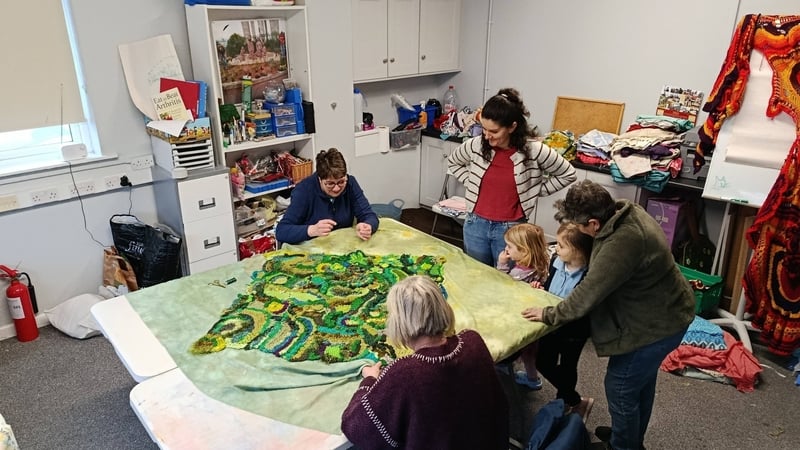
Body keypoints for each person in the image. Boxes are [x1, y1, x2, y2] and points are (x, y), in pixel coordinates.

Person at [520, 180, 695, 450]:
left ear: (594, 224)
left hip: (657, 325)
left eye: (579, 226)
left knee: (621, 388)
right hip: (667, 310)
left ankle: (623, 446)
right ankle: (629, 439)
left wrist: (548, 314)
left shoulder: (623, 243)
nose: (578, 230)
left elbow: (586, 295)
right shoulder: (626, 210)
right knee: (641, 384)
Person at [341, 276, 509, 450]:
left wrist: (368, 381)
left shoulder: (405, 373)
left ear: (399, 321)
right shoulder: (473, 341)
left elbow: (355, 427)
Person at [447, 87, 577, 266]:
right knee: (475, 275)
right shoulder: (476, 145)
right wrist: (471, 181)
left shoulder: (534, 150)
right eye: (484, 129)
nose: (487, 136)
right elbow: (453, 162)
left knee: (507, 279)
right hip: (475, 224)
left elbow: (568, 174)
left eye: (494, 131)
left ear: (512, 127)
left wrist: (534, 191)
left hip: (511, 229)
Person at [530, 222, 595, 422]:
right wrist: (540, 288)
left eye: (561, 245)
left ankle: (566, 400)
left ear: (577, 251)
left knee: (568, 366)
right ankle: (574, 398)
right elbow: (550, 288)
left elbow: (580, 306)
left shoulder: (589, 276)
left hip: (574, 330)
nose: (555, 248)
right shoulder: (555, 262)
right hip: (551, 324)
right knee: (543, 362)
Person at [275, 148, 379, 245]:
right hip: (312, 248)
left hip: (341, 245)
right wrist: (312, 230)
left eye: (341, 182)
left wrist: (368, 225)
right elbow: (281, 231)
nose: (336, 188)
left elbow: (368, 215)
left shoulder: (350, 183)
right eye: (330, 184)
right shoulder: (304, 191)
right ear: (320, 179)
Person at [495, 222, 550, 390]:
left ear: (524, 251)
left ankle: (506, 363)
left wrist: (502, 264)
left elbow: (503, 285)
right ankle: (532, 378)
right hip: (528, 319)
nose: (506, 249)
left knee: (523, 349)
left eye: (510, 246)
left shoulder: (521, 272)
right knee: (529, 352)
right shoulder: (540, 265)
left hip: (519, 318)